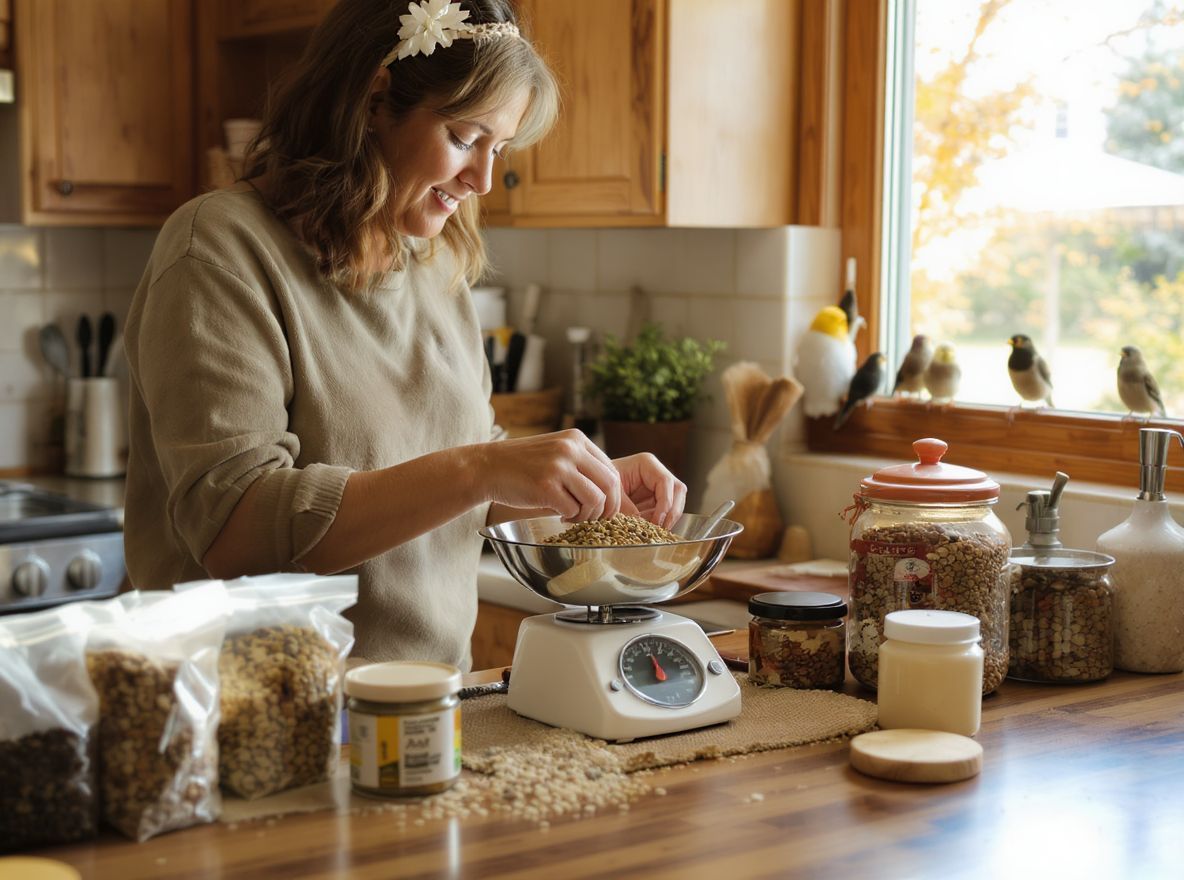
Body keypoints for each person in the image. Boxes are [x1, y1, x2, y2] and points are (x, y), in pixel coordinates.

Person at [122, 0, 686, 667]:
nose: (480, 181)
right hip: (256, 716)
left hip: (428, 705)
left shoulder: (436, 264)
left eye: (497, 149)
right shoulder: (219, 247)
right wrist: (480, 468)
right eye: (464, 137)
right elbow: (234, 529)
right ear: (372, 102)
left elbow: (459, 475)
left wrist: (575, 485)